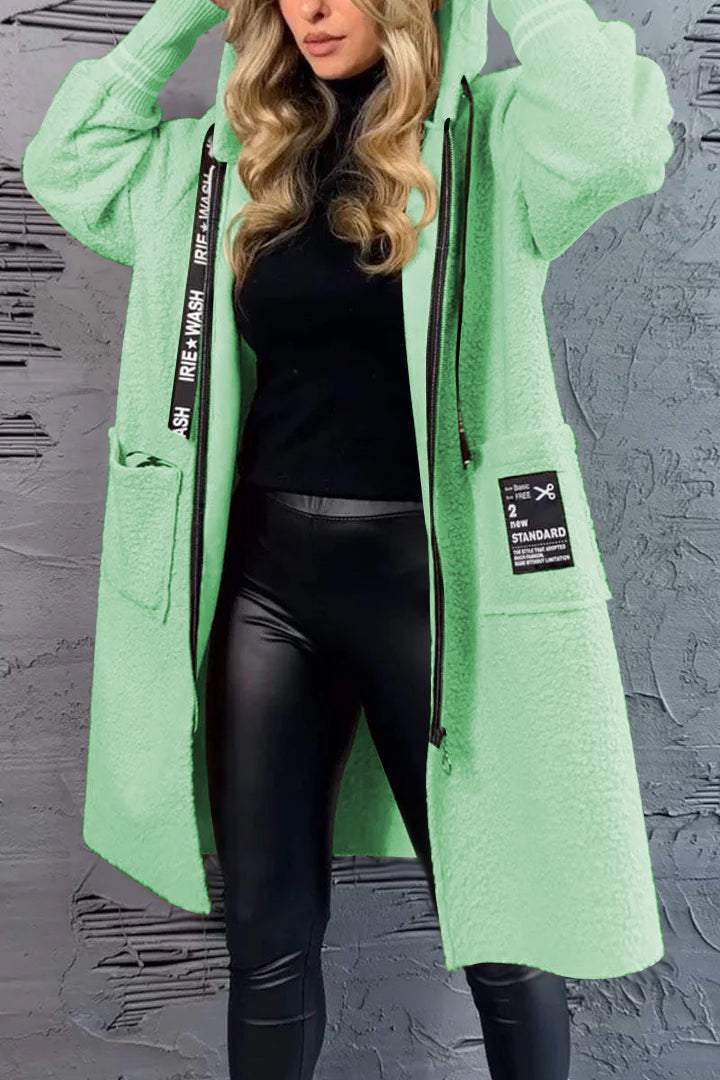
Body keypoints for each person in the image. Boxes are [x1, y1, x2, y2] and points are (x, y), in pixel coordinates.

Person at [20, 0, 675, 1076]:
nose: (311, 9)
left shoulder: (494, 143)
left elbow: (619, 136)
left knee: (509, 931)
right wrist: (184, 12)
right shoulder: (235, 158)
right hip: (266, 588)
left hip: (436, 591)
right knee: (267, 942)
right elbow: (68, 163)